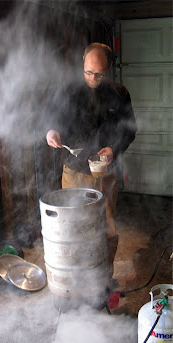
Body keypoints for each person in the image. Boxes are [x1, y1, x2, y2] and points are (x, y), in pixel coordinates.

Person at [46, 42, 137, 281]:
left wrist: (113, 150)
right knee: (72, 228)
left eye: (99, 74)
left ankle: (104, 279)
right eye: (88, 72)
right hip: (74, 171)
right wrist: (51, 132)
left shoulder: (119, 93)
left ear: (108, 69)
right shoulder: (66, 91)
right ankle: (76, 279)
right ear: (83, 65)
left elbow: (129, 131)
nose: (93, 77)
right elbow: (51, 121)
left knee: (106, 230)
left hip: (106, 174)